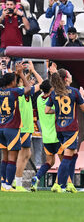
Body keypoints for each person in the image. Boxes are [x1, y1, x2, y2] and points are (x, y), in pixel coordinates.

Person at [45, 69, 84, 193]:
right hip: (71, 128)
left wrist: (57, 112)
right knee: (68, 157)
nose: (71, 75)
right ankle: (58, 184)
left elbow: (47, 110)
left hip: (59, 128)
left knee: (73, 154)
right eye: (69, 74)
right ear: (66, 78)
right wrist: (82, 96)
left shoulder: (54, 93)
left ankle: (69, 184)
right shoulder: (74, 92)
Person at [0, 63, 31, 191]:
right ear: (12, 82)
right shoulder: (14, 91)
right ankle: (8, 185)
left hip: (1, 127)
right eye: (15, 80)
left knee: (5, 157)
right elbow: (28, 88)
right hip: (12, 128)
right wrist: (22, 75)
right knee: (13, 158)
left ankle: (3, 184)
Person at [13, 61, 43, 192]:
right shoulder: (21, 92)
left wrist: (26, 73)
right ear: (21, 82)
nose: (30, 82)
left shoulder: (17, 91)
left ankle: (14, 180)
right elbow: (41, 83)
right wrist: (34, 71)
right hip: (24, 127)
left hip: (25, 127)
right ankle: (17, 182)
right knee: (22, 154)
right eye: (26, 80)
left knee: (27, 153)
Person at [31, 80, 62, 192]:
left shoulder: (39, 98)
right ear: (51, 89)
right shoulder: (53, 99)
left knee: (50, 162)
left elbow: (43, 84)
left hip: (46, 137)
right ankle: (57, 184)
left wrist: (34, 70)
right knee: (65, 161)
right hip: (57, 135)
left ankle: (37, 177)